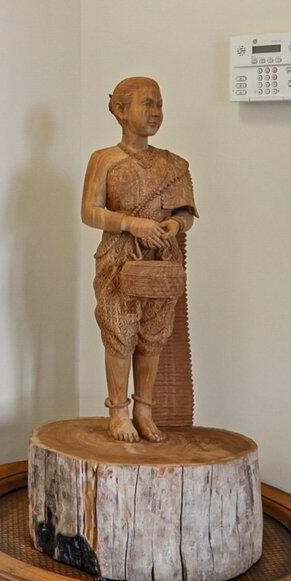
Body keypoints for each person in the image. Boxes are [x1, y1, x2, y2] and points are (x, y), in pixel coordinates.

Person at [81, 76, 196, 443]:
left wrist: (173, 226)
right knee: (119, 333)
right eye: (146, 104)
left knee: (153, 336)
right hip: (117, 258)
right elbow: (90, 211)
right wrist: (132, 224)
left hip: (160, 259)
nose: (155, 112)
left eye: (159, 104)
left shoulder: (174, 164)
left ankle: (144, 410)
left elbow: (187, 213)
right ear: (119, 110)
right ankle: (118, 412)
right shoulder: (104, 160)